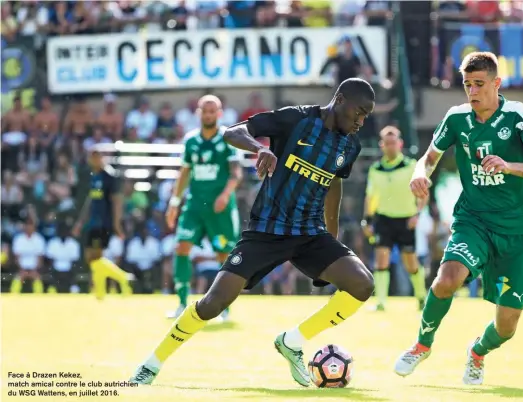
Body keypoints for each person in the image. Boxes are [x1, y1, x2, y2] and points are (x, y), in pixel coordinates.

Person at [129, 78, 376, 387]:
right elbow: (233, 132)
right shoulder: (297, 119)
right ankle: (150, 365)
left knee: (362, 285)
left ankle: (292, 342)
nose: (362, 121)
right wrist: (261, 149)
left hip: (311, 233)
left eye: (366, 115)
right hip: (267, 230)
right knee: (212, 303)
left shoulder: (350, 145)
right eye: (360, 112)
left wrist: (333, 236)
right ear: (340, 99)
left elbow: (334, 184)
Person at [394, 52, 523, 385]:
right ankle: (422, 345)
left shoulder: (520, 116)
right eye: (467, 85)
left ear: (496, 83)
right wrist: (419, 174)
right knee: (447, 279)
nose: (473, 91)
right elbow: (428, 157)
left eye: (479, 84)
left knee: (507, 326)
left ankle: (478, 352)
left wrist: (509, 166)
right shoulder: (457, 119)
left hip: (517, 231)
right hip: (474, 221)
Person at [165, 95, 243, 320]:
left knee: (223, 255)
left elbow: (236, 173)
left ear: (219, 114)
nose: (208, 115)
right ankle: (181, 303)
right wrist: (174, 202)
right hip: (195, 205)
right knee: (181, 246)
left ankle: (224, 308)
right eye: (204, 111)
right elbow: (185, 172)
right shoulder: (190, 141)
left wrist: (225, 195)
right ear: (198, 113)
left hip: (219, 208)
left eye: (213, 111)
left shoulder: (228, 138)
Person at [362, 126, 427, 311]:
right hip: (384, 219)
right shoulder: (375, 169)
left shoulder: (411, 165)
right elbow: (370, 196)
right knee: (381, 259)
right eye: (387, 143)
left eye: (394, 143)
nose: (390, 146)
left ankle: (422, 297)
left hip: (406, 219)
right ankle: (381, 302)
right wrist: (367, 220)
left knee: (411, 262)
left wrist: (417, 214)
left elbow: (423, 193)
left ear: (400, 144)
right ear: (382, 145)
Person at [73, 149, 133, 299]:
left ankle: (111, 283)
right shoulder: (94, 176)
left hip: (104, 222)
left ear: (101, 159)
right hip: (93, 222)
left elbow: (117, 201)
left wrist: (116, 224)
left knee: (97, 257)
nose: (93, 160)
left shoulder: (109, 177)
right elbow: (90, 201)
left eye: (96, 157)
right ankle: (102, 289)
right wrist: (81, 222)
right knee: (92, 258)